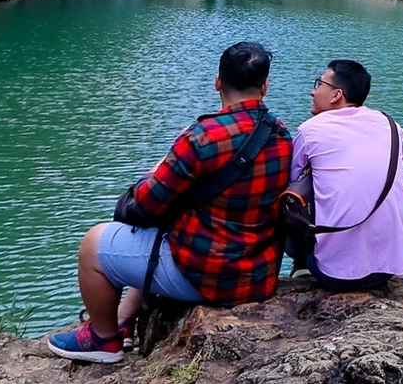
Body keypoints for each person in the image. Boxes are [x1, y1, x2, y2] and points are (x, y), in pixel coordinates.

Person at [46, 41, 293, 364]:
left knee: (93, 245)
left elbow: (145, 206)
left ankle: (103, 340)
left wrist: (156, 169)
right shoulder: (283, 135)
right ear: (265, 86)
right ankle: (124, 318)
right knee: (166, 233)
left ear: (218, 81)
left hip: (207, 275)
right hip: (259, 275)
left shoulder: (202, 137)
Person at [290, 59, 403, 291]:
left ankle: (302, 265)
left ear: (336, 94)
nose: (312, 90)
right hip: (389, 270)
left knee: (293, 198)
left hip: (333, 275)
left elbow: (293, 179)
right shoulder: (389, 124)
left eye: (319, 84)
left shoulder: (310, 130)